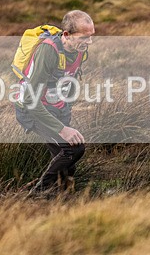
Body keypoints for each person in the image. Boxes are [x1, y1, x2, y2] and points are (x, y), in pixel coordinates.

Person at [14, 10, 94, 194]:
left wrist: (66, 110)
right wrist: (62, 129)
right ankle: (35, 195)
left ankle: (59, 199)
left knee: (66, 162)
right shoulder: (48, 51)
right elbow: (30, 100)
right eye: (84, 37)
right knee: (73, 150)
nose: (89, 42)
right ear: (67, 34)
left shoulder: (79, 50)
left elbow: (70, 80)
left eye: (91, 36)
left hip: (56, 108)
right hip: (31, 110)